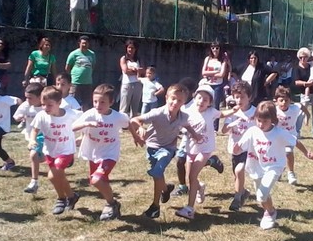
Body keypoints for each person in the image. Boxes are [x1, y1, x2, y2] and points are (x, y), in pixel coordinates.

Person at [234, 100, 313, 230]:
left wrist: (307, 153)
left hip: (274, 167)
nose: (261, 124)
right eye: (258, 120)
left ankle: (270, 213)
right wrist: (236, 149)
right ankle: (270, 211)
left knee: (261, 194)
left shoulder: (279, 133)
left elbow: (295, 142)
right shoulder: (252, 131)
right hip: (256, 166)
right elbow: (239, 148)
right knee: (262, 195)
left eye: (265, 121)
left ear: (272, 119)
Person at [128, 83, 198, 219]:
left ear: (184, 102)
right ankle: (165, 190)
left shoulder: (183, 116)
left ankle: (155, 206)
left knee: (157, 172)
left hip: (168, 149)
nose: (175, 102)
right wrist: (140, 130)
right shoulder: (158, 113)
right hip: (152, 148)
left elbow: (187, 125)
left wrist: (194, 134)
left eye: (180, 100)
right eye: (173, 98)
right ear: (166, 97)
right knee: (157, 176)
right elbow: (134, 120)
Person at [73, 84, 131, 221]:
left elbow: (129, 124)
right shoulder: (90, 114)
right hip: (93, 153)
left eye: (102, 102)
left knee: (97, 179)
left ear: (111, 102)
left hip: (110, 154)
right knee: (96, 181)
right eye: (95, 101)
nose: (98, 105)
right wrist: (85, 127)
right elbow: (73, 127)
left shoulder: (117, 117)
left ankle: (111, 204)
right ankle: (113, 205)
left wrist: (136, 135)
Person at [174, 85, 224, 220]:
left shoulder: (211, 112)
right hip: (191, 149)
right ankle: (200, 187)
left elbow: (224, 114)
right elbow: (177, 122)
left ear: (210, 103)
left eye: (205, 100)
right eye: (199, 97)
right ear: (194, 97)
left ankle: (189, 209)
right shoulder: (186, 110)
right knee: (192, 178)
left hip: (205, 149)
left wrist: (237, 110)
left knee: (191, 177)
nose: (201, 101)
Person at [29, 86, 80, 215]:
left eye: (49, 105)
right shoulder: (41, 116)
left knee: (53, 175)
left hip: (66, 151)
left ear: (59, 103)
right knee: (58, 177)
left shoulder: (71, 114)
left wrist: (83, 136)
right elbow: (34, 130)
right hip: (50, 151)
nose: (46, 108)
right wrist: (32, 140)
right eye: (43, 105)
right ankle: (71, 196)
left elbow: (86, 120)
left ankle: (61, 198)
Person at [222, 80, 256, 211]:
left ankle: (236, 199)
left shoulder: (255, 112)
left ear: (250, 97)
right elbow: (224, 130)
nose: (239, 99)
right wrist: (232, 124)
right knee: (237, 175)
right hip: (234, 149)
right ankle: (244, 192)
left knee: (239, 170)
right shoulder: (232, 112)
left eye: (242, 97)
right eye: (237, 97)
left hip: (249, 149)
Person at [13, 82, 45, 194]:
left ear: (40, 97)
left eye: (30, 98)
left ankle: (34, 182)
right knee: (38, 158)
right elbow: (16, 117)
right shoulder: (26, 105)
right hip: (31, 135)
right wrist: (20, 117)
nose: (27, 100)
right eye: (26, 97)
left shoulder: (47, 106)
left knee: (33, 155)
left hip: (45, 135)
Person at [274, 85, 307, 185]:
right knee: (278, 155)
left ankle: (291, 173)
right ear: (276, 101)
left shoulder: (294, 108)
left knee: (288, 152)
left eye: (286, 100)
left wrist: (307, 116)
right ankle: (279, 170)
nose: (284, 103)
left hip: (291, 135)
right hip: (278, 137)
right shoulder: (274, 110)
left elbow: (302, 106)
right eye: (281, 100)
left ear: (290, 100)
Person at [294, 47, 313, 139]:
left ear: (308, 57)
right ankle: (297, 132)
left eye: (305, 57)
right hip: (304, 94)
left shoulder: (311, 67)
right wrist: (305, 83)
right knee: (301, 113)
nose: (303, 59)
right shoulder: (297, 68)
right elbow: (296, 82)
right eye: (301, 57)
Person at [65, 35, 96, 111]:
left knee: (86, 103)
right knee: (74, 103)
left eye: (86, 43)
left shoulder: (92, 54)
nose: (84, 45)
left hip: (87, 83)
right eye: (83, 43)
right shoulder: (74, 54)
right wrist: (74, 76)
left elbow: (93, 66)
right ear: (79, 43)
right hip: (75, 82)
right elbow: (67, 68)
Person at [201, 41, 228, 121]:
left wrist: (209, 74)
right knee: (204, 103)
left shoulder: (223, 60)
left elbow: (222, 74)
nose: (215, 50)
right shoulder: (208, 59)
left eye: (217, 48)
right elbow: (203, 73)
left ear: (220, 49)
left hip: (218, 85)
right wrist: (216, 72)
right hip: (207, 84)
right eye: (213, 48)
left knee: (215, 106)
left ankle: (215, 127)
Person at [119, 39, 144, 117]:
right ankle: (121, 124)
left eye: (132, 48)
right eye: (129, 47)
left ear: (135, 49)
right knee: (124, 106)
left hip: (138, 84)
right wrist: (136, 71)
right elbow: (126, 71)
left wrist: (134, 71)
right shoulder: (123, 59)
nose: (130, 49)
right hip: (127, 84)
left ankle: (133, 124)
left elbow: (143, 71)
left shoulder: (139, 59)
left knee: (135, 107)